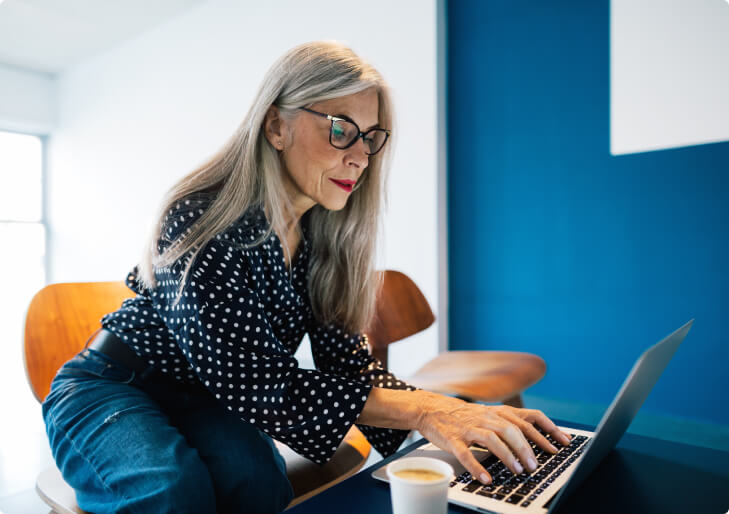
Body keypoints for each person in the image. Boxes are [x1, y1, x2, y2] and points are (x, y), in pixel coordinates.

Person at [42, 40, 571, 514]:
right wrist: (429, 409)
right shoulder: (202, 216)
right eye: (341, 128)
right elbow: (257, 383)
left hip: (207, 399)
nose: (361, 155)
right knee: (171, 491)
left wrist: (454, 436)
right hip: (114, 386)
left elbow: (350, 372)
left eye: (372, 137)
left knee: (260, 487)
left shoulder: (324, 242)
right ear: (276, 125)